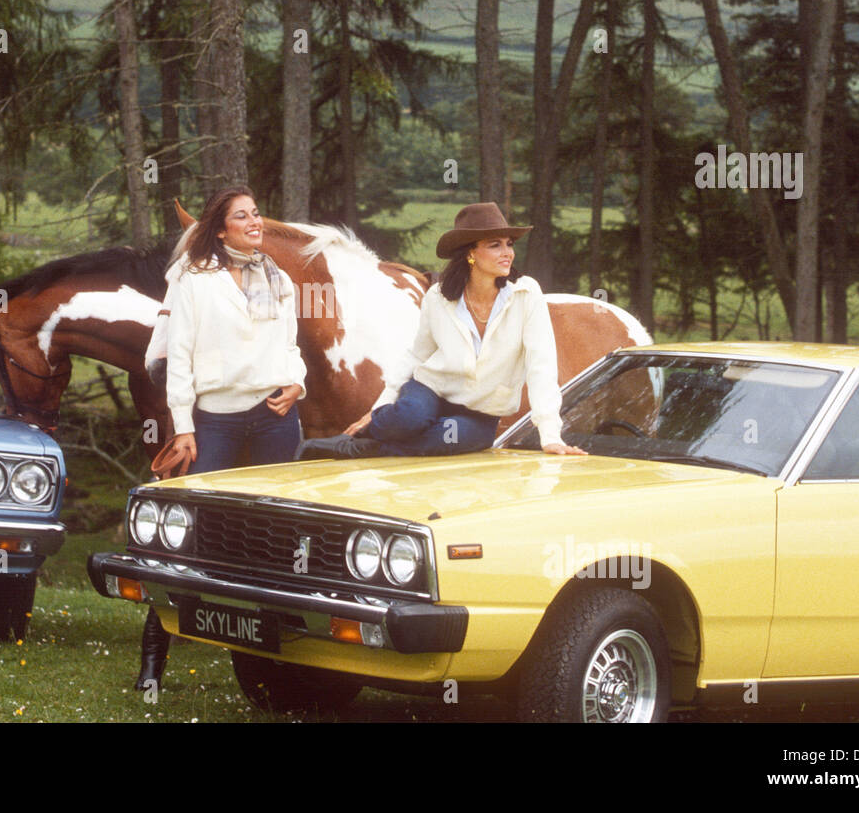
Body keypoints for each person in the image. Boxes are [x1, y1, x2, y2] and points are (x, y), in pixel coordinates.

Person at [135, 185, 307, 691]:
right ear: (219, 227)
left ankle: (285, 660)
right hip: (215, 418)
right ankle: (152, 659)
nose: (255, 222)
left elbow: (291, 344)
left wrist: (298, 382)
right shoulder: (194, 279)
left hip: (275, 415)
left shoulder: (278, 278)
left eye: (257, 214)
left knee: (282, 532)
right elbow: (180, 356)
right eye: (242, 216)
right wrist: (184, 428)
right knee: (187, 530)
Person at [299, 201, 586, 459]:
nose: (507, 253)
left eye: (509, 244)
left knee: (446, 440)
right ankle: (371, 432)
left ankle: (357, 448)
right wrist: (378, 408)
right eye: (495, 245)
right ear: (470, 253)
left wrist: (550, 436)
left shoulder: (526, 295)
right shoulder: (438, 298)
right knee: (409, 418)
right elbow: (416, 356)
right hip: (430, 391)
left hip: (479, 413)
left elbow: (542, 366)